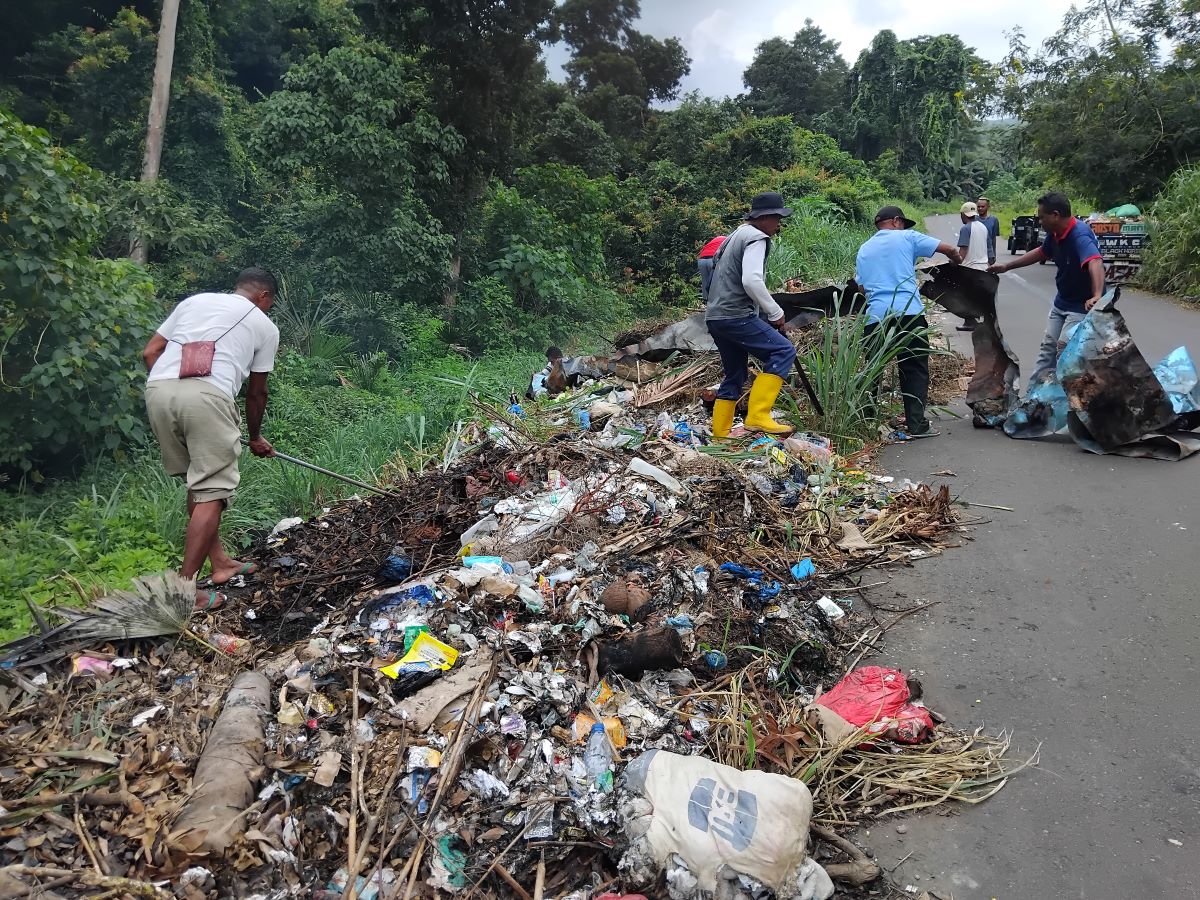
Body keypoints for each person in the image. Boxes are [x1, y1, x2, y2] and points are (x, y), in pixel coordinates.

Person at [141, 267, 280, 611]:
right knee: (213, 494)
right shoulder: (265, 325)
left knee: (199, 485)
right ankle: (185, 591)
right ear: (263, 296)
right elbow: (256, 393)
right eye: (270, 303)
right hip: (207, 397)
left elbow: (150, 352)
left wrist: (175, 390)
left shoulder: (195, 301)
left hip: (158, 391)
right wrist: (256, 436)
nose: (268, 309)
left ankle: (220, 564)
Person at [855, 206, 963, 439]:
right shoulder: (907, 237)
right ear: (896, 221)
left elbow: (862, 287)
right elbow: (949, 249)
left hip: (876, 317)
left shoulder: (864, 249)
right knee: (914, 369)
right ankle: (917, 425)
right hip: (908, 314)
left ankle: (869, 425)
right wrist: (957, 261)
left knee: (873, 369)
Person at [989, 192, 1104, 389]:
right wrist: (1008, 267)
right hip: (1062, 303)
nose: (1039, 221)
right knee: (1047, 349)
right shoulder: (1055, 234)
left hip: (1080, 306)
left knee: (1064, 352)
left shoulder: (1079, 234)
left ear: (1056, 215)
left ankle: (1063, 401)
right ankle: (1034, 396)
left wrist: (1097, 295)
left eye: (1042, 217)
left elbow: (1095, 261)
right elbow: (1041, 252)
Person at [705, 192, 796, 438]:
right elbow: (752, 280)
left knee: (735, 373)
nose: (778, 225)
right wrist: (775, 311)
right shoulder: (757, 237)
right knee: (782, 351)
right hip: (736, 315)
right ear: (764, 217)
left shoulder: (733, 236)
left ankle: (721, 436)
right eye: (777, 218)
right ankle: (758, 416)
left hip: (716, 317)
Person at [955, 201, 990, 331]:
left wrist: (955, 262)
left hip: (970, 266)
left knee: (966, 296)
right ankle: (985, 321)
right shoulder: (983, 227)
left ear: (963, 214)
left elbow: (963, 250)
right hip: (983, 266)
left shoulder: (965, 228)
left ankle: (969, 322)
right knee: (979, 295)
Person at [697, 235, 727, 301]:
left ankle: (706, 300)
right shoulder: (727, 241)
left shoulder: (713, 242)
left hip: (701, 260)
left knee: (705, 280)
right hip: (712, 259)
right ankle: (716, 301)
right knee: (716, 281)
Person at [977, 197, 1000, 266]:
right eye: (978, 206)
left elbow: (993, 238)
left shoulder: (994, 220)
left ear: (988, 207)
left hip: (988, 252)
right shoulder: (973, 219)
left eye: (983, 206)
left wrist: (993, 254)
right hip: (976, 252)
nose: (980, 208)